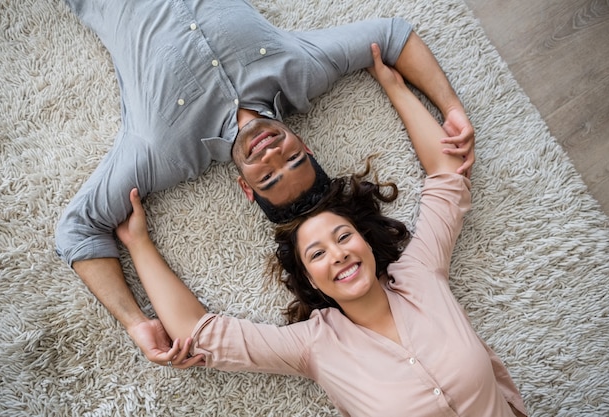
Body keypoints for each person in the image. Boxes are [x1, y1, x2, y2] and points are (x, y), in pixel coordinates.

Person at [55, 0, 475, 367]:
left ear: (245, 187)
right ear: (306, 145)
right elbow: (392, 35)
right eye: (293, 158)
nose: (271, 152)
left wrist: (135, 322)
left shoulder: (162, 153)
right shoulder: (302, 70)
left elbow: (78, 229)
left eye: (269, 175)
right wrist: (451, 108)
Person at [114, 45, 527, 416]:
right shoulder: (317, 346)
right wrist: (138, 243)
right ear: (310, 279)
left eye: (344, 237)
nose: (339, 254)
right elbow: (200, 334)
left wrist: (395, 86)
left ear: (365, 242)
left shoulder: (419, 277)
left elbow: (448, 175)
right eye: (317, 254)